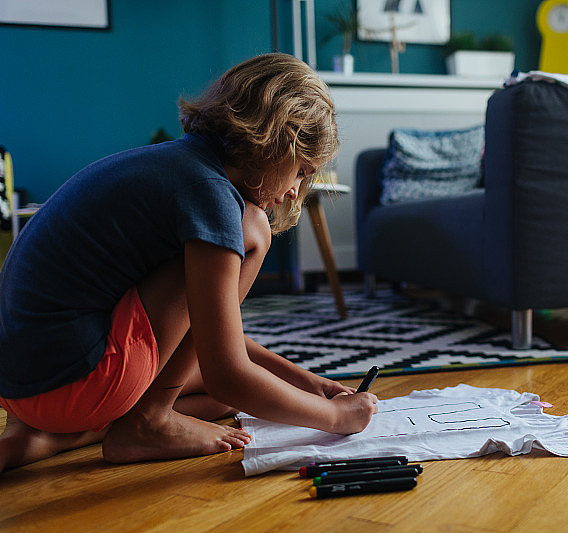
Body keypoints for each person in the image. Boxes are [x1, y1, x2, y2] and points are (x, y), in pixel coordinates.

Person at [0, 53, 378, 473]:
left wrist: (309, 385)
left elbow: (209, 337)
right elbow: (227, 369)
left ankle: (53, 435)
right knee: (255, 230)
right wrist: (335, 418)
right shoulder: (212, 195)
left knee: (227, 401)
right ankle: (148, 420)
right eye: (302, 171)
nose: (295, 192)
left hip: (27, 382)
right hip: (73, 377)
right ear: (276, 141)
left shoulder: (178, 164)